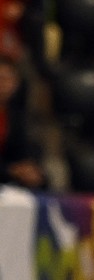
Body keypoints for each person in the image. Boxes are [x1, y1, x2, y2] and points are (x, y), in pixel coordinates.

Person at [0, 56, 43, 189]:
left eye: (9, 78)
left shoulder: (16, 116)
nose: (4, 83)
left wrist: (27, 169)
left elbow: (24, 149)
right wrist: (10, 170)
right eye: (0, 78)